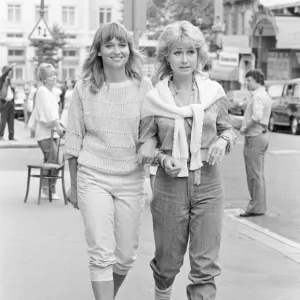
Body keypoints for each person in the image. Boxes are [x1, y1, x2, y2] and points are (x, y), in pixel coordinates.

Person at [137, 21, 236, 300]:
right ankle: (163, 291)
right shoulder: (154, 98)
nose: (185, 59)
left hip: (209, 182)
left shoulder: (214, 93)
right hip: (170, 185)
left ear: (199, 55)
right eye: (178, 52)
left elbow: (228, 129)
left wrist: (222, 140)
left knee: (205, 267)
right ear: (167, 56)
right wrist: (161, 158)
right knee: (167, 261)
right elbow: (145, 141)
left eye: (190, 52)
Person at [64, 22, 152, 300]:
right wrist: (74, 185)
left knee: (125, 256)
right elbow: (74, 139)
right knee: (101, 254)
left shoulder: (143, 86)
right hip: (92, 177)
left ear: (129, 49)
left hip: (131, 178)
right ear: (98, 51)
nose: (117, 50)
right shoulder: (83, 88)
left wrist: (149, 176)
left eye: (122, 44)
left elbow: (150, 133)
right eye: (109, 45)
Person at [28, 63, 65, 200]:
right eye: (50, 76)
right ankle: (49, 189)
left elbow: (54, 113)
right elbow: (49, 112)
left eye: (55, 74)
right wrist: (58, 125)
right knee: (54, 160)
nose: (54, 77)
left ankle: (46, 188)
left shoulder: (50, 92)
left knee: (50, 160)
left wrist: (60, 125)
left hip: (51, 132)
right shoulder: (42, 91)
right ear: (44, 79)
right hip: (45, 134)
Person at [239, 69, 271, 217]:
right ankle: (259, 206)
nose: (247, 83)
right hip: (263, 136)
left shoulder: (257, 96)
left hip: (254, 137)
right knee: (258, 174)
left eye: (249, 80)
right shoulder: (265, 95)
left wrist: (245, 127)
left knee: (253, 175)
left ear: (257, 80)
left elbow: (257, 116)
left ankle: (255, 207)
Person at [0, 64, 16, 141]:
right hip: (5, 102)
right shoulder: (1, 79)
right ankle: (0, 135)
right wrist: (11, 67)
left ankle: (11, 136)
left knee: (11, 120)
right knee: (3, 120)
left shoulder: (9, 81)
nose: (11, 73)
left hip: (10, 102)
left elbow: (10, 91)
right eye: (10, 71)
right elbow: (4, 74)